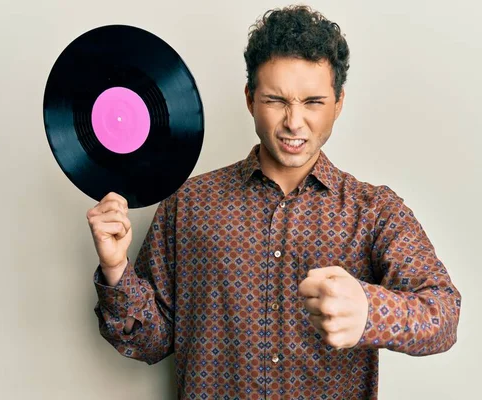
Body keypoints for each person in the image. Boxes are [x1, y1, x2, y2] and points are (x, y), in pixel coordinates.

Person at [87, 5, 461, 399]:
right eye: (275, 100)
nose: (294, 122)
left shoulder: (375, 211)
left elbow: (443, 316)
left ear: (339, 103)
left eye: (314, 102)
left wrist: (371, 312)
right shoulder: (188, 204)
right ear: (250, 99)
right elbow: (150, 342)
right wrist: (116, 269)